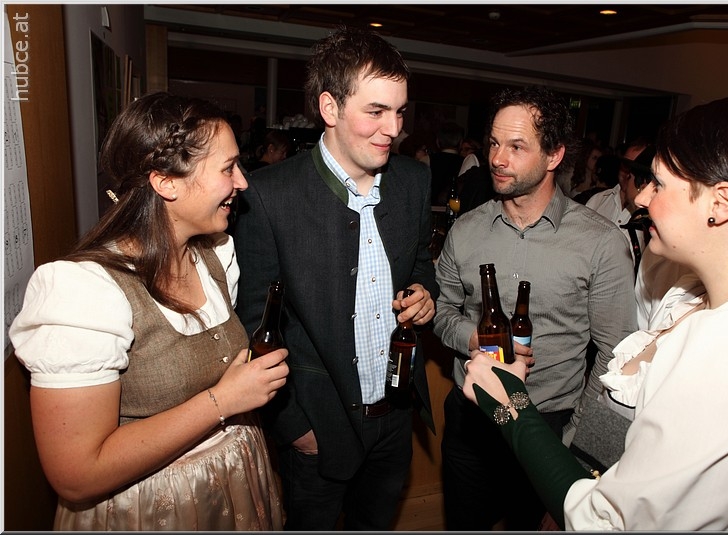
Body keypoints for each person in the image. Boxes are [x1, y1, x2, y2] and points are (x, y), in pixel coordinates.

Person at [462, 94, 728, 531]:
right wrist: (573, 480)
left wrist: (511, 405)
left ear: (720, 203)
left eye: (658, 184)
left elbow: (610, 523)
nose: (641, 200)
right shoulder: (682, 294)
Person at [7, 92, 289, 530]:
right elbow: (77, 475)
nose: (243, 183)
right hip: (150, 509)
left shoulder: (216, 255)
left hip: (233, 481)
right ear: (167, 183)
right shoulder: (83, 290)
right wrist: (225, 400)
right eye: (228, 168)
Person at [233, 26, 439, 531]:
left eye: (400, 112)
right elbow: (254, 323)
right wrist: (292, 427)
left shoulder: (413, 181)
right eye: (376, 111)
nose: (393, 128)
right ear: (330, 107)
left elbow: (420, 265)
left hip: (396, 415)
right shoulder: (269, 195)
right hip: (318, 427)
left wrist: (425, 293)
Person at [433, 85, 636, 531]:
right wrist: (472, 337)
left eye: (516, 146)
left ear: (554, 155)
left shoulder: (600, 243)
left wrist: (573, 447)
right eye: (493, 143)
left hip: (547, 426)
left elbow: (616, 357)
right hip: (471, 423)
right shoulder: (466, 230)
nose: (497, 158)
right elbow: (443, 310)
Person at [585, 142, 653, 272]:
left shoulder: (651, 218)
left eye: (635, 170)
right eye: (626, 165)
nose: (627, 173)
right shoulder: (598, 200)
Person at [429, 121, 465, 205]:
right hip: (455, 209)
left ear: (437, 142)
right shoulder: (465, 162)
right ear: (461, 143)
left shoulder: (427, 160)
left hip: (431, 208)